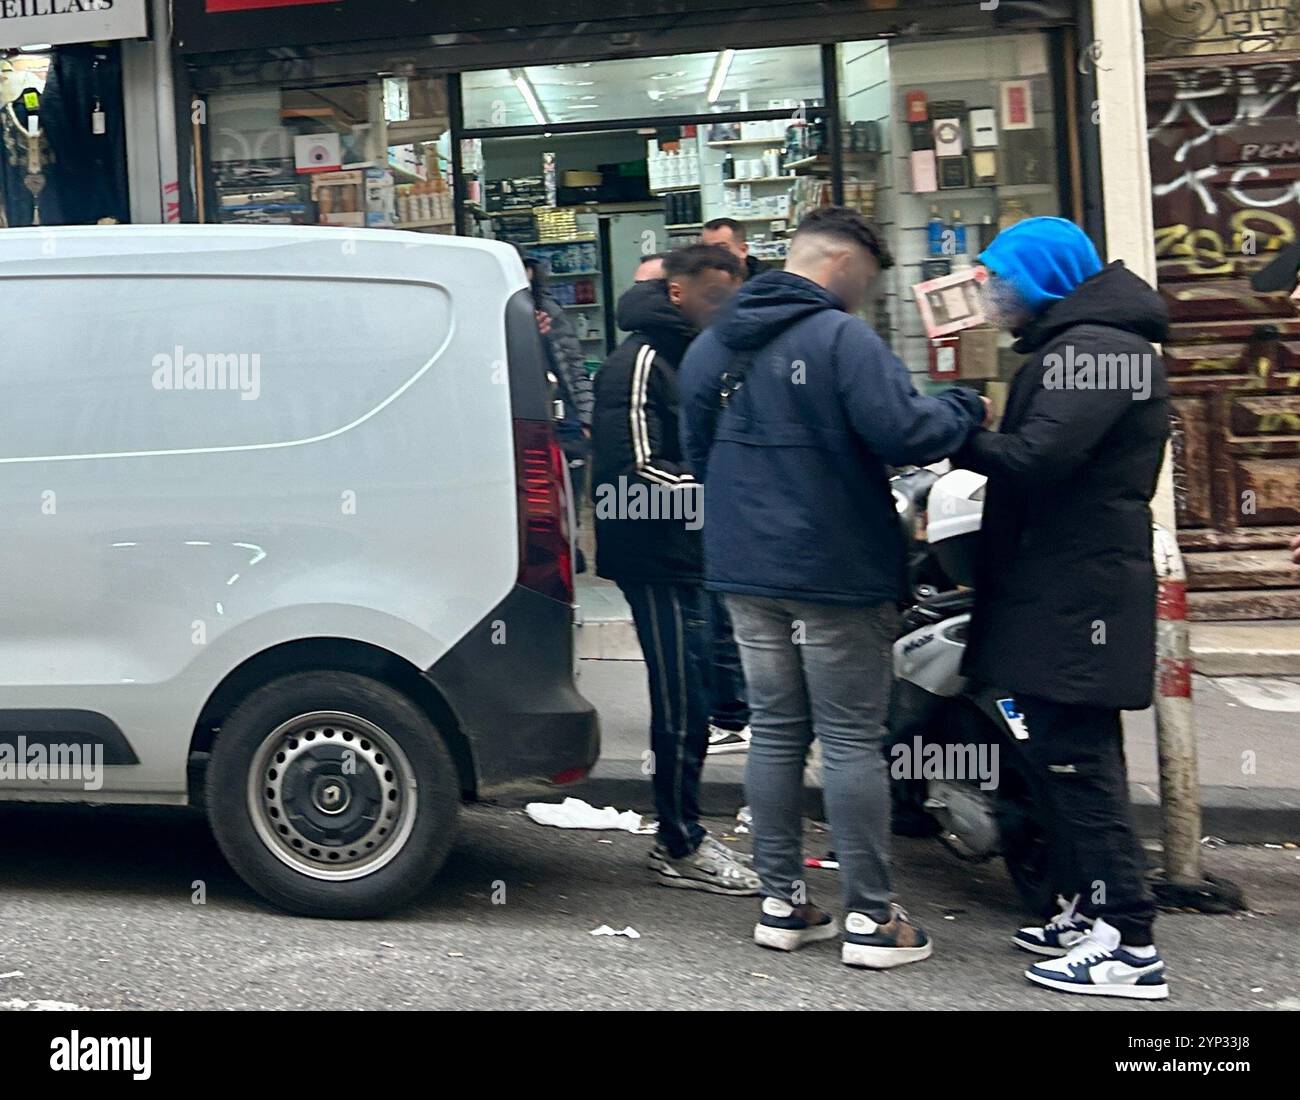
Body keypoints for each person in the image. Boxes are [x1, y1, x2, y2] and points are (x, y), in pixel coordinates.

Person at [679, 206, 987, 967]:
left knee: (776, 729)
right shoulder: (843, 338)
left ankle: (782, 904)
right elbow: (907, 433)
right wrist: (964, 405)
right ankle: (871, 919)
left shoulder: (711, 346)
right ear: (845, 266)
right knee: (850, 738)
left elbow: (697, 456)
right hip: (836, 570)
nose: (869, 302)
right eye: (870, 286)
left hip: (745, 571)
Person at [955, 216, 1172, 1001]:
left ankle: (1129, 945)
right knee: (1060, 754)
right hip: (1061, 586)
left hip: (1078, 595)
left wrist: (960, 434)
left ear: (1041, 278)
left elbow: (1040, 459)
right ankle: (1090, 910)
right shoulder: (1082, 346)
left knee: (1079, 766)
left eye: (1000, 279)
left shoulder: (1101, 353)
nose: (990, 294)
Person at [590, 243, 754, 893]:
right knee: (681, 696)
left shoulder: (701, 355)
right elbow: (635, 470)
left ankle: (683, 831)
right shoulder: (640, 361)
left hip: (694, 550)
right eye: (714, 293)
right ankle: (679, 841)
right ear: (678, 293)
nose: (726, 306)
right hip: (653, 552)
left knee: (696, 691)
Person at [523, 253, 594, 505]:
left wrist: (586, 417)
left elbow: (574, 364)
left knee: (571, 496)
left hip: (564, 418)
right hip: (524, 421)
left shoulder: (548, 308)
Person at [701, 218, 768, 281]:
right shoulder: (698, 280)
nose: (711, 255)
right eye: (706, 249)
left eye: (721, 249)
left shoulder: (770, 284)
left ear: (743, 250)